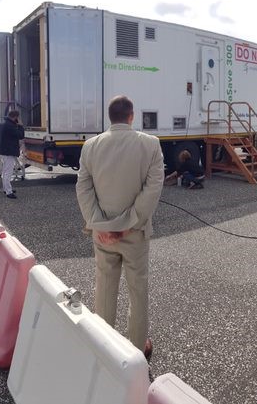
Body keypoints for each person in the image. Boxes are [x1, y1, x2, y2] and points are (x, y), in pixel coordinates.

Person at [75, 95, 164, 358]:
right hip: (135, 234)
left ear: (110, 117)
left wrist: (98, 223)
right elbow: (153, 188)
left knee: (104, 288)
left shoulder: (90, 147)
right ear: (131, 116)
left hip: (102, 234)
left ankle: (104, 347)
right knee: (138, 291)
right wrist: (129, 223)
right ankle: (137, 349)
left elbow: (83, 187)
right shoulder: (150, 144)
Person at [0, 110, 25, 199]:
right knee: (8, 172)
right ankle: (8, 192)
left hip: (2, 151)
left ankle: (6, 188)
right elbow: (21, 135)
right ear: (16, 117)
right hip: (9, 152)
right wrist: (20, 125)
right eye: (18, 118)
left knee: (5, 171)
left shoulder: (1, 125)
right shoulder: (11, 126)